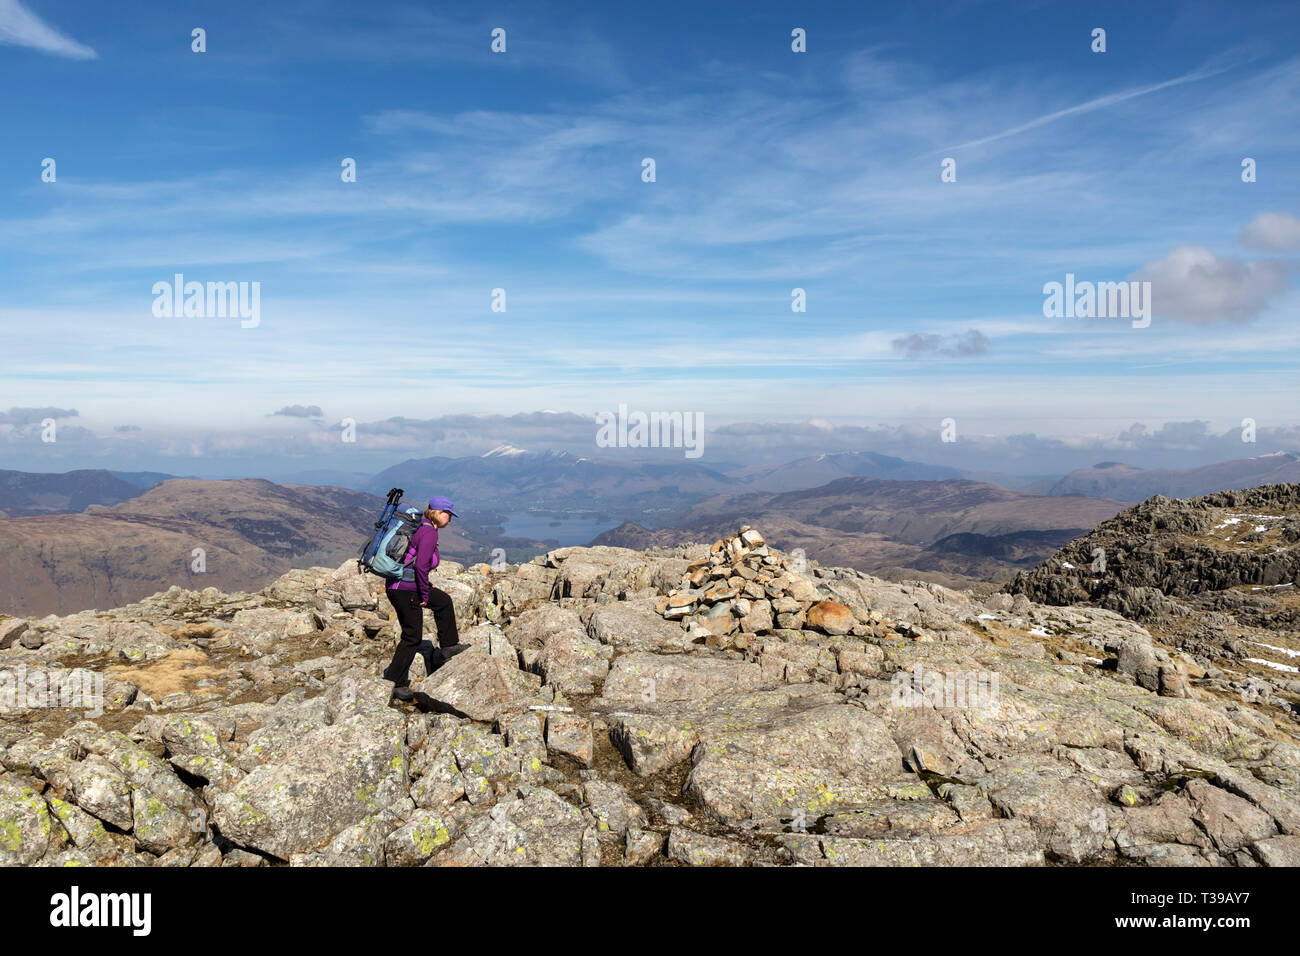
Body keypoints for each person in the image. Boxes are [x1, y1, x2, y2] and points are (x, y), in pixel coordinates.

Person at [382, 495, 461, 701]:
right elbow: (421, 565)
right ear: (438, 513)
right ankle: (394, 683)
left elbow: (417, 563)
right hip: (405, 589)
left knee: (443, 601)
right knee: (412, 637)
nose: (450, 519)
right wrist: (424, 594)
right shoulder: (428, 532)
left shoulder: (423, 526)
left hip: (402, 586)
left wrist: (427, 585)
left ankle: (449, 647)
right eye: (448, 514)